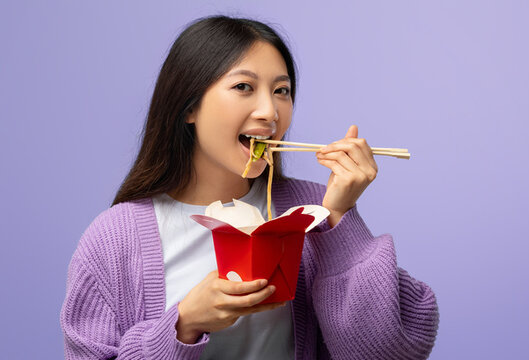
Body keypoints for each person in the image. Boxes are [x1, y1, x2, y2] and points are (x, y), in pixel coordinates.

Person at [60, 15, 439, 359]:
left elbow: (390, 352)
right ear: (189, 107)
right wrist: (184, 324)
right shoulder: (115, 238)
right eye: (244, 86)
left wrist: (339, 217)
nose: (270, 112)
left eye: (281, 91)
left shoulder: (314, 211)